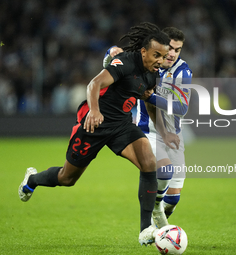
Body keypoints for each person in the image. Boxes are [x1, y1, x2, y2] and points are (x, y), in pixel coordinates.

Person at [18, 22, 170, 246]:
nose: (160, 60)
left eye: (164, 56)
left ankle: (146, 228)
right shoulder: (125, 62)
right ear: (144, 51)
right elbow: (94, 83)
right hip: (94, 126)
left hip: (122, 126)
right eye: (156, 54)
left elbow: (146, 99)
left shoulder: (153, 74)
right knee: (67, 178)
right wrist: (95, 111)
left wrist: (162, 129)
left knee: (149, 163)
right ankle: (32, 180)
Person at [103, 27, 192, 228]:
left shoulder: (182, 72)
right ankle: (154, 225)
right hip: (148, 131)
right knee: (163, 172)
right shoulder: (150, 62)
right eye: (169, 48)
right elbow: (120, 57)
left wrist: (150, 96)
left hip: (173, 135)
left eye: (177, 50)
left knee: (173, 199)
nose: (172, 54)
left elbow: (181, 107)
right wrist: (111, 51)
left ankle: (159, 224)